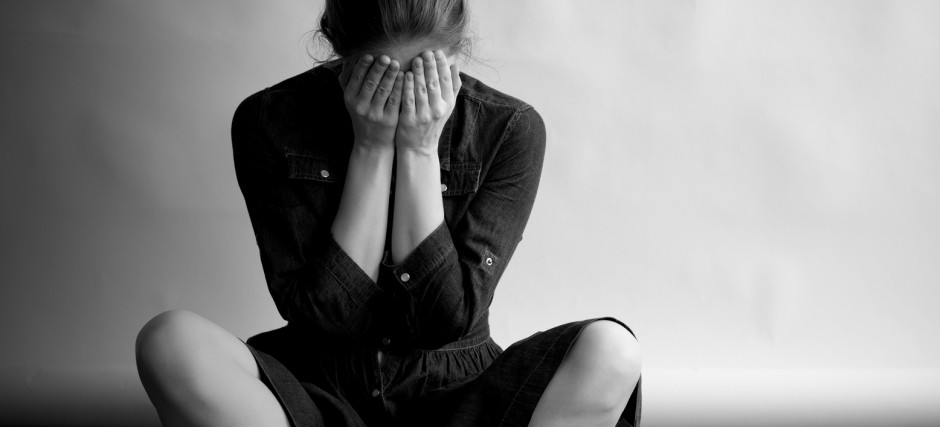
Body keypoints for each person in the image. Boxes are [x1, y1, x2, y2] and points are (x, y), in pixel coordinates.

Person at [133, 1, 642, 425]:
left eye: (425, 74)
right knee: (168, 340)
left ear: (456, 51)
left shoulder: (510, 129)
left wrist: (420, 149)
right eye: (376, 76)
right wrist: (371, 146)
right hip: (317, 387)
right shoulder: (268, 120)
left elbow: (446, 320)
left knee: (612, 351)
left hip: (459, 392)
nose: (403, 97)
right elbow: (328, 317)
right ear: (339, 52)